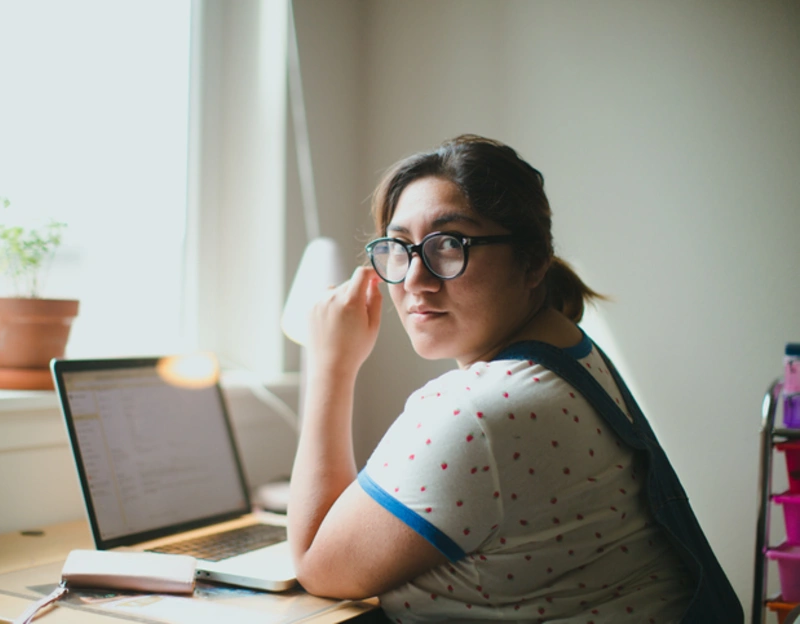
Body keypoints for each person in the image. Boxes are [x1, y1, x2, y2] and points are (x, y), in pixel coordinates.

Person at [286, 135, 742, 623]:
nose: (416, 279)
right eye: (400, 248)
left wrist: (331, 363)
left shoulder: (475, 413)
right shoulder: (570, 352)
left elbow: (317, 563)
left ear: (532, 262)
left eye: (449, 244)